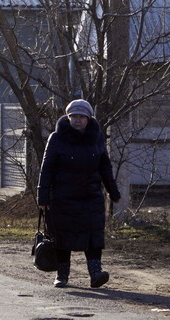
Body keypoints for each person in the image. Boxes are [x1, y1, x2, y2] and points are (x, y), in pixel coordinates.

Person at [36, 99, 121, 289]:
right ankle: (62, 275)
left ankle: (95, 274)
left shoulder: (96, 137)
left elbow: (105, 166)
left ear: (88, 118)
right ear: (68, 117)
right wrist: (42, 198)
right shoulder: (57, 138)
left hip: (91, 197)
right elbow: (46, 169)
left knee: (93, 236)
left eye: (81, 116)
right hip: (63, 198)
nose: (77, 120)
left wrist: (113, 191)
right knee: (63, 237)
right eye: (74, 116)